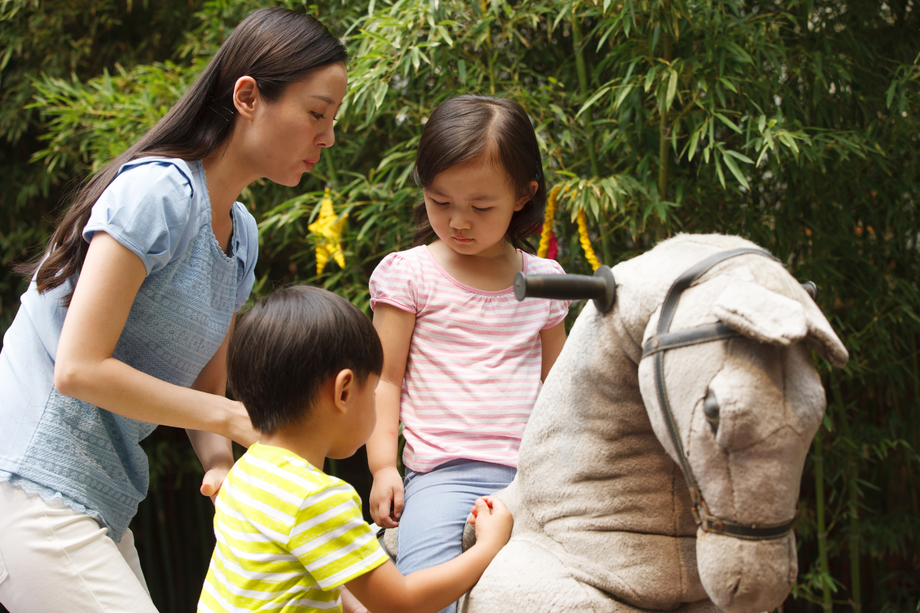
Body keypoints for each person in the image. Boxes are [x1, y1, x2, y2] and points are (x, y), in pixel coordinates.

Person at [0, 8, 348, 612]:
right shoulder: (156, 193)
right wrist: (239, 421)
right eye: (316, 113)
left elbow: (203, 392)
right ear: (248, 96)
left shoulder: (241, 237)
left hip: (101, 502)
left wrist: (224, 469)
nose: (329, 136)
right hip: (28, 482)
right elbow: (78, 368)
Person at [365, 94, 571, 613]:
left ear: (524, 196)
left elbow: (559, 392)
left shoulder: (544, 283)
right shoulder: (410, 274)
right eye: (440, 202)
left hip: (533, 477)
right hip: (441, 476)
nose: (459, 222)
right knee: (426, 597)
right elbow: (383, 381)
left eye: (480, 207)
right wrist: (384, 467)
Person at [196, 285, 513, 613]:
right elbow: (403, 602)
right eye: (373, 391)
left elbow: (317, 567)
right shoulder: (316, 499)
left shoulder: (246, 473)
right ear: (344, 392)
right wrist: (488, 546)